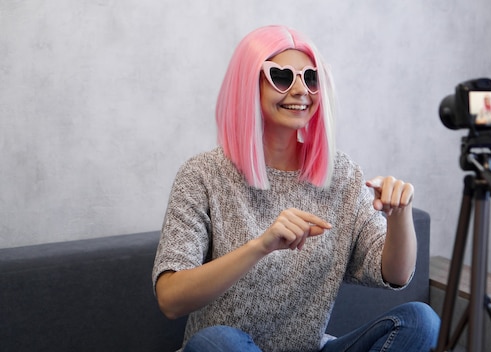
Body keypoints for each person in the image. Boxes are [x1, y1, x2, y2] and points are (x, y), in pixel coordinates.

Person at [152, 25, 440, 352]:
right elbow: (170, 299)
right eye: (283, 77)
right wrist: (260, 246)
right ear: (248, 84)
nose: (301, 90)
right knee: (219, 341)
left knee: (421, 321)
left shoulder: (341, 175)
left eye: (311, 78)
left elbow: (396, 275)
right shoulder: (203, 174)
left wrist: (399, 216)